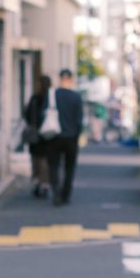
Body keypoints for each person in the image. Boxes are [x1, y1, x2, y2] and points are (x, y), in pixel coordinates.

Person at [45, 68, 84, 206]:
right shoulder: (76, 97)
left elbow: (44, 114)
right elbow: (79, 120)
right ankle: (66, 194)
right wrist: (77, 135)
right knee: (69, 166)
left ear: (60, 79)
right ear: (71, 80)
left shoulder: (52, 95)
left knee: (53, 166)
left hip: (54, 136)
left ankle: (55, 192)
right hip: (71, 137)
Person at [23, 75, 52, 198]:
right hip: (48, 134)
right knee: (45, 160)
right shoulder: (51, 99)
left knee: (36, 159)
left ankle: (37, 181)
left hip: (35, 134)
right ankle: (44, 184)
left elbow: (27, 114)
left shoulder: (35, 98)